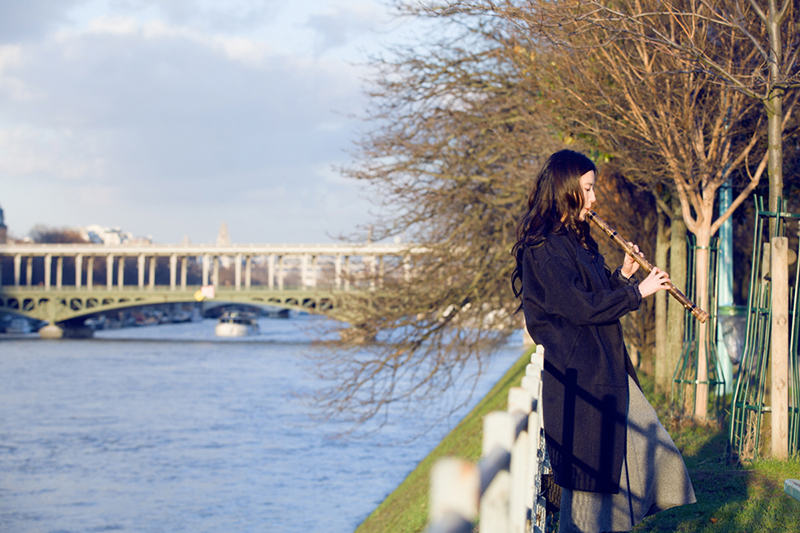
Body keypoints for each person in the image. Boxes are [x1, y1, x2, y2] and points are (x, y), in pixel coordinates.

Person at [511, 150, 696, 533]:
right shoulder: (544, 247)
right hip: (578, 380)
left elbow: (593, 297)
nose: (594, 198)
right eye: (588, 189)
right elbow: (580, 307)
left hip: (604, 370)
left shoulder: (576, 240)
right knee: (588, 487)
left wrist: (624, 276)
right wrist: (638, 292)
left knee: (646, 449)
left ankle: (621, 520)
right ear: (565, 189)